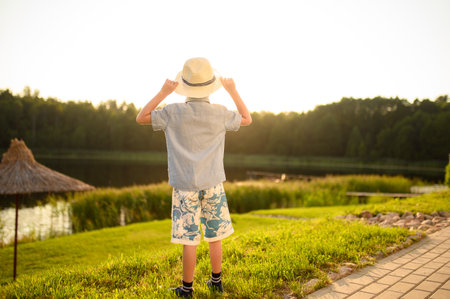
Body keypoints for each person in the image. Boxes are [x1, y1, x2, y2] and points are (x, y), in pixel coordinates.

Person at [136, 57, 252, 297]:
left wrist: (162, 92)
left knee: (189, 240)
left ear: (184, 86)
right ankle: (216, 282)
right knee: (215, 235)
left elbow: (141, 117)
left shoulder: (172, 112)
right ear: (211, 86)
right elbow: (247, 119)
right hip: (213, 184)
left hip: (184, 185)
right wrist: (233, 91)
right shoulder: (220, 113)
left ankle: (186, 289)